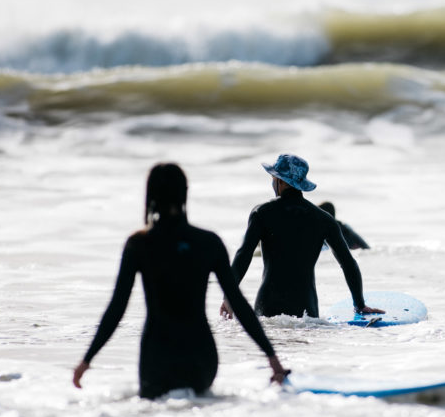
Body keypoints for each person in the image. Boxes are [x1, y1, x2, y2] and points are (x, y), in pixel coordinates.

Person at [73, 163, 289, 399]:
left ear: (150, 195)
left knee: (155, 411)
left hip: (157, 358)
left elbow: (118, 306)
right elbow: (238, 303)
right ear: (184, 193)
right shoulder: (208, 242)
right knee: (198, 407)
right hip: (201, 358)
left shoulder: (139, 244)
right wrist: (272, 358)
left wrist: (87, 360)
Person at [220, 154, 384, 319]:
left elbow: (244, 255)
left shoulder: (262, 212)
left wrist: (228, 297)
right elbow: (348, 264)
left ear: (280, 181)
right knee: (304, 334)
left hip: (268, 307)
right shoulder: (324, 219)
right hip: (307, 310)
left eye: (273, 179)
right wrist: (360, 305)